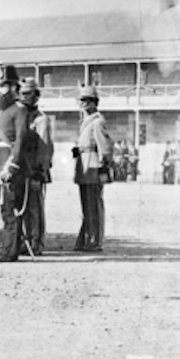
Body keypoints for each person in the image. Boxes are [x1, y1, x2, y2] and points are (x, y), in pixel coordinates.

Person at [0, 65, 31, 262]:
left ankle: (10, 251)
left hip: (12, 166)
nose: (1, 90)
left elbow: (20, 140)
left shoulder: (19, 110)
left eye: (5, 85)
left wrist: (10, 167)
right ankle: (6, 248)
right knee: (4, 210)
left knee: (12, 210)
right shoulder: (1, 110)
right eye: (0, 86)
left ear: (14, 87)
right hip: (0, 162)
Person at [73, 85, 113, 252]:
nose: (83, 103)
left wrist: (104, 169)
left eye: (87, 100)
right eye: (81, 100)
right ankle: (86, 239)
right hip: (84, 167)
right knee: (86, 206)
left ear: (94, 102)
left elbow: (105, 148)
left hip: (93, 167)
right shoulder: (86, 121)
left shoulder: (97, 122)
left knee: (94, 206)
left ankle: (94, 241)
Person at [20, 77, 52, 256]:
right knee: (24, 208)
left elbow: (45, 149)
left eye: (28, 94)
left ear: (36, 96)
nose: (24, 97)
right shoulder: (22, 118)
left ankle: (37, 242)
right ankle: (27, 240)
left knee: (35, 208)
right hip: (22, 168)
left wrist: (40, 173)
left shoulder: (42, 120)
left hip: (34, 170)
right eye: (22, 94)